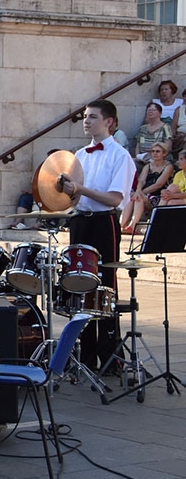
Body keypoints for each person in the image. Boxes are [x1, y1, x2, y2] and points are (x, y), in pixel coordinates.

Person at [56, 99, 135, 375]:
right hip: (80, 222)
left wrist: (81, 188)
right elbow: (75, 196)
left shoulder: (120, 156)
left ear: (109, 122)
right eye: (84, 117)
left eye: (92, 117)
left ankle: (110, 356)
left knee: (105, 287)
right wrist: (66, 189)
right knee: (79, 286)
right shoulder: (80, 154)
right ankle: (85, 355)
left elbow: (114, 198)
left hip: (104, 223)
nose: (86, 121)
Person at [120, 141, 172, 233]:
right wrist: (138, 191)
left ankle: (132, 225)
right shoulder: (148, 166)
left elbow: (158, 184)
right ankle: (121, 225)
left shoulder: (168, 166)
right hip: (145, 194)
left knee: (138, 197)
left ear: (164, 153)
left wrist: (140, 193)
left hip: (159, 196)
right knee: (131, 196)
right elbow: (141, 180)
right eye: (153, 151)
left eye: (157, 151)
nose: (154, 153)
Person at [153, 79, 184, 154]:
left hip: (175, 129)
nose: (163, 91)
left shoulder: (180, 102)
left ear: (172, 91)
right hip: (159, 128)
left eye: (166, 89)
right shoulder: (155, 102)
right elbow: (147, 119)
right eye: (161, 90)